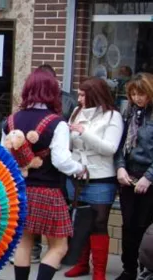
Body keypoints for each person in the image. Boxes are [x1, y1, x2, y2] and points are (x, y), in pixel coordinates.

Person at [4, 68, 88, 280]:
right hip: (48, 191)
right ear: (52, 92)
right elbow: (61, 161)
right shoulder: (57, 123)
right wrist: (80, 168)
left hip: (18, 192)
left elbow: (4, 157)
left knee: (23, 242)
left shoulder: (11, 120)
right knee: (59, 247)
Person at [61, 77, 122, 279]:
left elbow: (110, 148)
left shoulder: (112, 116)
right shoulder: (76, 112)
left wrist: (84, 132)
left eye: (82, 95)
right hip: (77, 175)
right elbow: (69, 145)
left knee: (99, 222)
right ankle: (81, 264)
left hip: (101, 177)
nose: (78, 99)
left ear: (94, 95)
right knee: (81, 221)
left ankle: (99, 271)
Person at [115, 73, 153, 280]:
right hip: (129, 176)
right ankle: (128, 268)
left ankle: (146, 268)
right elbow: (121, 145)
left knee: (145, 226)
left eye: (142, 94)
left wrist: (149, 177)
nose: (138, 98)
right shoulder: (129, 113)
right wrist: (120, 168)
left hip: (148, 176)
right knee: (128, 225)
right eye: (134, 94)